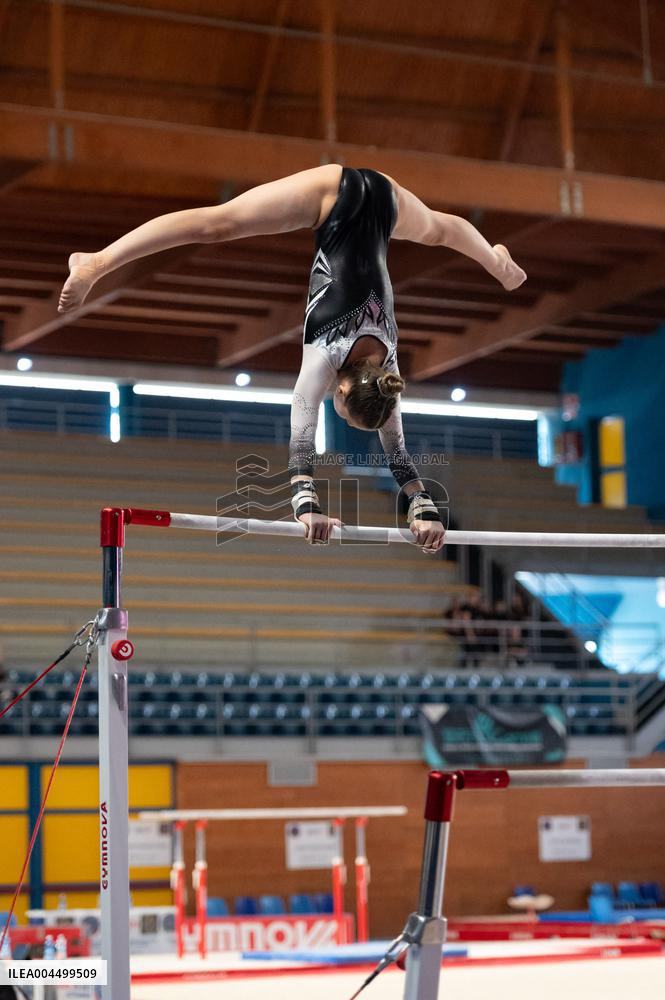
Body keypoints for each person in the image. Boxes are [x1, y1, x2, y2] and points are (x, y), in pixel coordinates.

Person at [58, 165, 526, 552]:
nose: (329, 406)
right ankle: (96, 261)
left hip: (386, 196)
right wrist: (306, 505)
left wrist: (423, 509)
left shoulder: (388, 369)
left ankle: (498, 263)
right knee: (217, 223)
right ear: (339, 389)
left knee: (443, 230)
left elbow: (396, 450)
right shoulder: (326, 357)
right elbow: (302, 440)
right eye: (337, 408)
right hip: (331, 195)